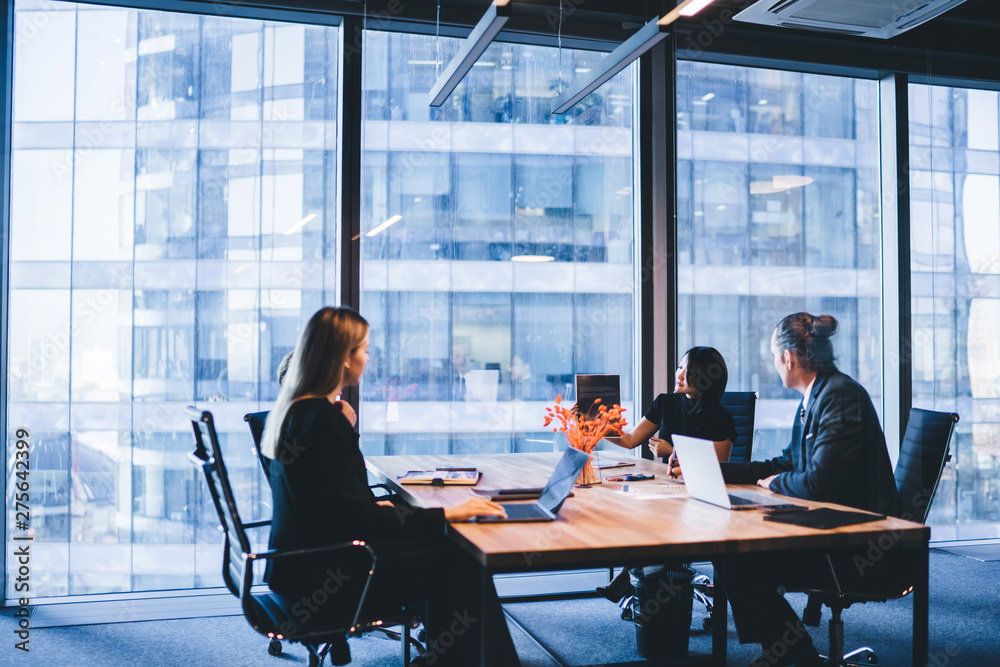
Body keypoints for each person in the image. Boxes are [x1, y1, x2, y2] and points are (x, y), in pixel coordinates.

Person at [261, 307, 521, 667]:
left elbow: (335, 500)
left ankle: (447, 656)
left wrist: (385, 509)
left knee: (445, 545)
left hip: (299, 567)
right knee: (462, 559)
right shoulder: (322, 420)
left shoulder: (297, 411)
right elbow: (355, 517)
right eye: (364, 349)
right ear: (343, 357)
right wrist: (445, 512)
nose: (368, 357)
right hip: (327, 577)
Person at [714, 313, 899, 667]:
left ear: (788, 357)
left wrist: (773, 484)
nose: (774, 364)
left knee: (736, 556)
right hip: (829, 528)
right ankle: (788, 651)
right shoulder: (816, 396)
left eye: (773, 356)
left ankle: (792, 654)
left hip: (860, 545)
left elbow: (818, 483)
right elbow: (786, 462)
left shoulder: (841, 397)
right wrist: (722, 471)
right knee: (730, 552)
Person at [598, 346, 737, 603]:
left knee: (658, 524)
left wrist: (672, 450)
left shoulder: (721, 418)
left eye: (688, 370)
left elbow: (719, 467)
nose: (679, 374)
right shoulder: (666, 403)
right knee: (636, 511)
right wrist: (596, 424)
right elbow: (629, 440)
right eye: (679, 367)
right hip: (668, 490)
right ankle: (643, 577)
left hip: (701, 496)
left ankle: (636, 578)